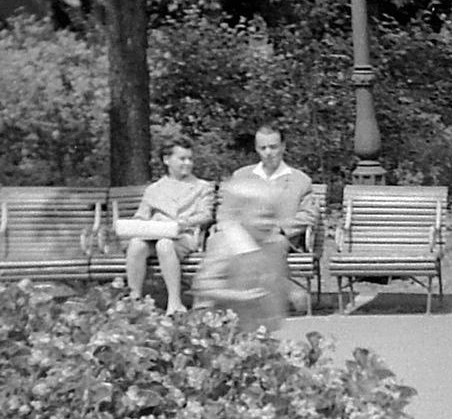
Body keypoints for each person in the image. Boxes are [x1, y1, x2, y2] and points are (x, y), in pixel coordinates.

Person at [230, 126, 320, 312]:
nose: (268, 153)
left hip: (281, 237)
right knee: (220, 242)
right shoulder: (241, 176)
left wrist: (280, 228)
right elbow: (229, 209)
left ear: (283, 147)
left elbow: (309, 215)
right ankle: (207, 303)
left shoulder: (300, 180)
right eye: (263, 148)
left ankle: (262, 301)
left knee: (273, 243)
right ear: (256, 149)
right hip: (245, 235)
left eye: (273, 147)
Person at [125, 141, 215, 313]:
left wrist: (184, 223)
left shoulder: (202, 187)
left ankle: (174, 303)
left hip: (185, 236)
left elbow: (206, 215)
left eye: (190, 159)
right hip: (155, 235)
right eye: (182, 159)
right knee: (136, 244)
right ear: (167, 160)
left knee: (164, 244)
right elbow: (141, 216)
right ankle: (134, 300)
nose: (187, 163)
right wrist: (145, 226)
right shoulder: (154, 189)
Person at [191, 174, 288, 333]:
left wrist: (292, 291)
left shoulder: (274, 244)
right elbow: (203, 285)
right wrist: (238, 295)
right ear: (239, 215)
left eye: (272, 217)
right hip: (220, 324)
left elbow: (277, 274)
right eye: (261, 217)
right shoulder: (227, 243)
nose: (267, 223)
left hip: (258, 321)